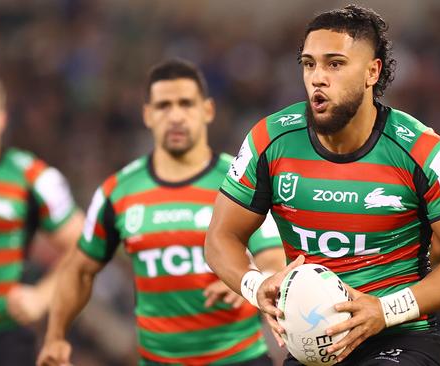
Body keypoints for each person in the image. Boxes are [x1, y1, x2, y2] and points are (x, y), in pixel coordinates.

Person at [206, 5, 440, 366]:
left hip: (399, 339)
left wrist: (385, 309)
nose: (317, 77)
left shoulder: (424, 152)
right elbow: (221, 236)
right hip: (313, 344)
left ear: (371, 72)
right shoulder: (269, 140)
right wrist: (254, 285)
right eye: (308, 64)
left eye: (335, 64)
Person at [37, 59, 285, 366]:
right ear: (147, 115)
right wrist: (55, 337)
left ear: (207, 110)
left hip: (239, 358)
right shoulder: (118, 191)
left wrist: (250, 279)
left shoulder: (241, 181)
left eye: (186, 104)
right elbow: (79, 269)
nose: (176, 116)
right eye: (164, 106)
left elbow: (274, 257)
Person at [0, 68, 84, 365]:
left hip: (3, 339)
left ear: (1, 119)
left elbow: (85, 247)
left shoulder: (31, 177)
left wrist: (41, 297)